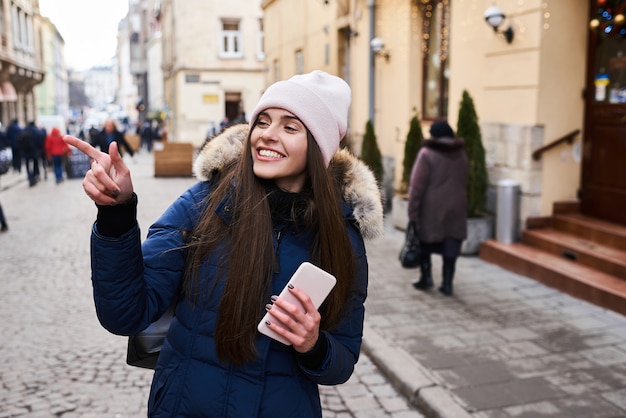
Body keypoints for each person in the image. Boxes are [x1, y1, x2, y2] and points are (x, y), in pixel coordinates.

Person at [63, 70, 383, 417]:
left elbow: (342, 360)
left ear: (318, 146)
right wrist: (117, 215)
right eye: (262, 122)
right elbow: (125, 314)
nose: (266, 136)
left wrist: (313, 345)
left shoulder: (341, 237)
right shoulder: (204, 203)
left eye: (290, 127)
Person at [408, 120, 469, 296]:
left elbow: (416, 187)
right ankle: (447, 283)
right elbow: (464, 180)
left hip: (431, 210)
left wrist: (413, 213)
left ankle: (426, 278)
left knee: (425, 244)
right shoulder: (461, 153)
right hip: (456, 208)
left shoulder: (427, 154)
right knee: (451, 244)